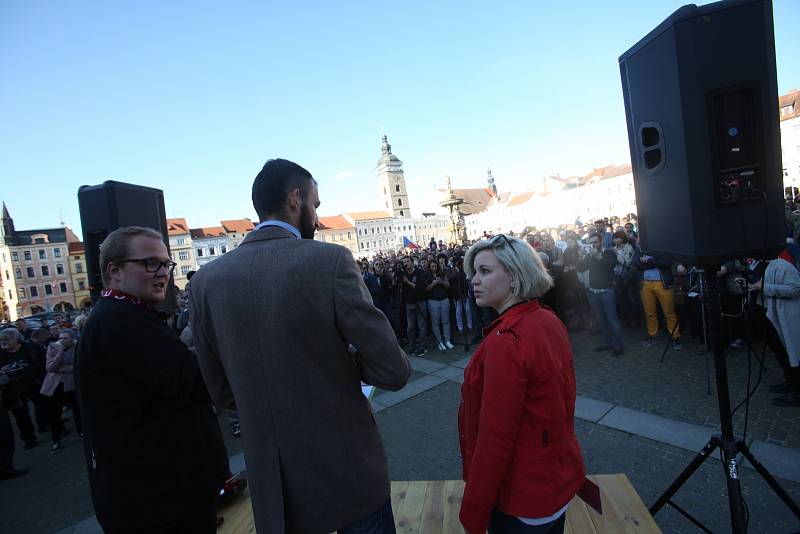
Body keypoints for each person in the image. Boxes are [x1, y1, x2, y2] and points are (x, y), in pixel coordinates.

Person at [189, 158, 411, 534]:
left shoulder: (206, 282)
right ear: (295, 199)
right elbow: (393, 369)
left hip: (274, 488)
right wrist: (345, 365)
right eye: (316, 205)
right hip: (347, 472)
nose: (318, 217)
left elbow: (221, 390)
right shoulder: (330, 261)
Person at [76, 226, 228, 534]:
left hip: (159, 496)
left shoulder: (122, 315)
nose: (163, 273)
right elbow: (196, 383)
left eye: (166, 264)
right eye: (151, 263)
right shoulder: (122, 321)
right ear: (114, 270)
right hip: (160, 504)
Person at [459, 235, 586, 534]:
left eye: (485, 271)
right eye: (474, 272)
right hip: (557, 480)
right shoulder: (546, 319)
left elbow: (495, 440)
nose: (474, 280)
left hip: (524, 495)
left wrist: (473, 514)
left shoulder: (507, 342)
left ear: (514, 277)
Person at [578, 233, 624, 356]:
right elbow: (581, 268)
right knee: (601, 319)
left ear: (601, 241)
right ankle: (607, 343)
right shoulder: (589, 255)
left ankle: (618, 346)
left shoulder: (608, 253)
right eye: (591, 243)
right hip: (593, 292)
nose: (593, 245)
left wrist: (598, 256)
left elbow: (609, 266)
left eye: (595, 242)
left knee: (612, 319)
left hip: (607, 292)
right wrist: (581, 257)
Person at [40, 329, 81, 454]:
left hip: (72, 384)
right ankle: (56, 440)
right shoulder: (53, 348)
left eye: (66, 338)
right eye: (60, 338)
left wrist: (62, 368)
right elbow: (50, 367)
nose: (62, 341)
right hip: (55, 385)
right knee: (55, 414)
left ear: (72, 339)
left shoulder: (78, 346)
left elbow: (79, 365)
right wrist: (59, 354)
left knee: (77, 409)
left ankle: (81, 431)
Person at [639, 253, 682, 350]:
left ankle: (675, 336)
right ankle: (652, 335)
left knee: (669, 312)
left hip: (663, 284)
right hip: (645, 284)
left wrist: (648, 261)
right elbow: (637, 264)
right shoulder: (641, 249)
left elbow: (667, 262)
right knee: (649, 312)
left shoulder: (662, 247)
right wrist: (656, 262)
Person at [401, 255, 429, 356]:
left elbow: (420, 287)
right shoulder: (403, 274)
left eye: (407, 261)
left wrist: (407, 282)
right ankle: (412, 346)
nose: (406, 264)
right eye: (404, 262)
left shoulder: (419, 272)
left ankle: (423, 346)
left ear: (412, 262)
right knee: (410, 327)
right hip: (409, 304)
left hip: (420, 302)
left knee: (421, 326)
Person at [426, 258, 452, 351]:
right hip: (433, 301)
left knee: (446, 321)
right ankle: (439, 342)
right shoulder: (427, 275)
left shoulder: (442, 274)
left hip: (444, 300)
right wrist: (433, 284)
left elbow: (448, 286)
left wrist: (442, 282)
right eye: (432, 266)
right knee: (435, 323)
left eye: (435, 266)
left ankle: (447, 340)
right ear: (429, 267)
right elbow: (426, 289)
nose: (434, 268)